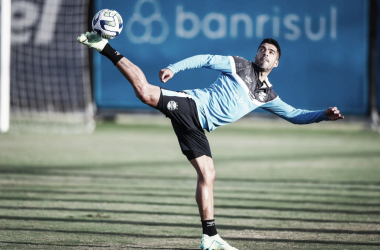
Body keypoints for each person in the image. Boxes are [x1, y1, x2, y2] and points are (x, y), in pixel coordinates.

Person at [77, 32, 344, 250]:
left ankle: (210, 237)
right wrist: (173, 67)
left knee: (208, 174)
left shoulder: (267, 96)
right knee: (145, 92)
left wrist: (323, 115)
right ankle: (105, 46)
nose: (265, 53)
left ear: (276, 64)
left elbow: (294, 115)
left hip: (198, 127)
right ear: (256, 54)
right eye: (262, 49)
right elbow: (205, 58)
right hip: (191, 105)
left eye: (271, 52)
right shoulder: (240, 65)